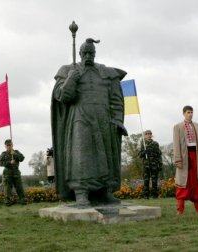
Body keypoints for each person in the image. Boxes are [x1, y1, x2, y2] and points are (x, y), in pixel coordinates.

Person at [51, 38, 128, 207]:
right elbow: (63, 97)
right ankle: (81, 192)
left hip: (104, 118)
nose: (87, 56)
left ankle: (105, 191)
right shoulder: (69, 70)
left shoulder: (107, 72)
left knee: (106, 155)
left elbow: (116, 99)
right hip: (80, 116)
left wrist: (116, 119)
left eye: (90, 53)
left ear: (95, 54)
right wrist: (71, 79)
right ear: (79, 54)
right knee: (81, 155)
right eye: (84, 53)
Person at [0, 139, 26, 206]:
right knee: (7, 189)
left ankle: (22, 200)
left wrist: (15, 154)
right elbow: (0, 163)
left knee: (19, 187)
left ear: (12, 145)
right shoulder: (3, 154)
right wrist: (9, 162)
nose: (9, 146)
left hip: (16, 172)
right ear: (5, 146)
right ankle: (7, 202)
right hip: (7, 173)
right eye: (7, 145)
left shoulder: (16, 152)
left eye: (10, 145)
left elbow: (22, 158)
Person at [139, 130, 162, 199]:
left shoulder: (155, 143)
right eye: (147, 134)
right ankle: (146, 195)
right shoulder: (143, 143)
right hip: (146, 165)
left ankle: (155, 195)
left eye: (150, 134)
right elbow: (140, 155)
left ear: (151, 135)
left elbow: (159, 155)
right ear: (144, 135)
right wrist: (144, 152)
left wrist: (160, 164)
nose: (148, 135)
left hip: (154, 164)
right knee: (146, 181)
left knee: (154, 180)